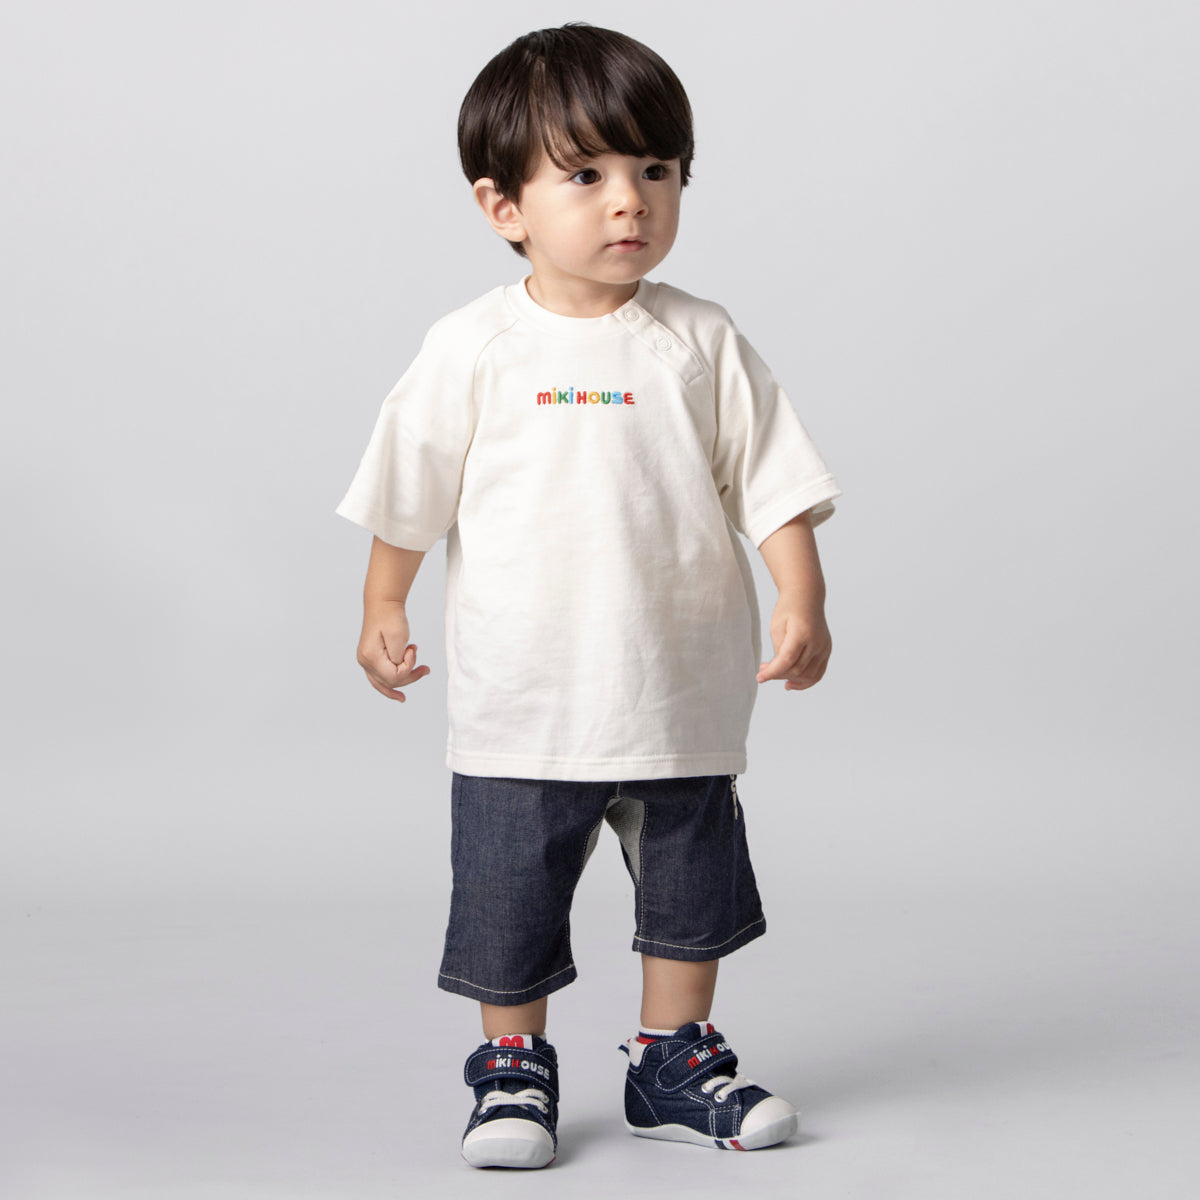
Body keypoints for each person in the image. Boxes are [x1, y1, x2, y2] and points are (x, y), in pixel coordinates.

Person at [334, 22, 842, 1170]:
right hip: (523, 700)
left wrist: (801, 598)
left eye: (657, 170)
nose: (630, 202)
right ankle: (512, 1067)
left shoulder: (699, 341)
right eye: (587, 175)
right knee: (509, 896)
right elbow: (407, 494)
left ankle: (673, 1061)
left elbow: (772, 483)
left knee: (690, 891)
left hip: (678, 695)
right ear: (502, 205)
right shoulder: (474, 348)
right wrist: (382, 608)